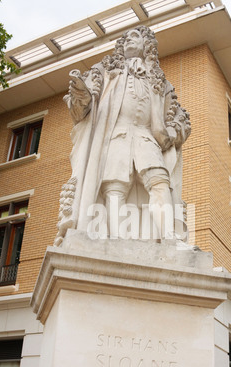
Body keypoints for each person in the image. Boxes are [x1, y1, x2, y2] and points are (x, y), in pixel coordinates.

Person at [55, 25, 191, 245]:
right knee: (115, 187)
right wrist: (81, 93)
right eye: (125, 38)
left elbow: (180, 120)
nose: (128, 40)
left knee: (159, 181)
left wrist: (173, 132)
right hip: (115, 137)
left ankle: (169, 236)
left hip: (147, 138)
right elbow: (83, 106)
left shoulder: (162, 83)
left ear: (147, 45)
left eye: (135, 36)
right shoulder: (105, 70)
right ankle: (116, 238)